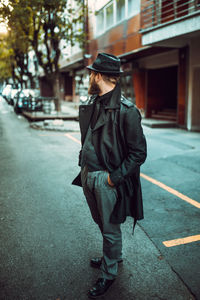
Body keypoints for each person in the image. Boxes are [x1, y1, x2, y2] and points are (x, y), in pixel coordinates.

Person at [72, 52, 147, 298]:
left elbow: (138, 154)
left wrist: (113, 179)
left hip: (106, 179)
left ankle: (109, 273)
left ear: (100, 76)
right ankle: (112, 254)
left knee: (110, 228)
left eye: (92, 73)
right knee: (101, 224)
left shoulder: (127, 111)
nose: (89, 76)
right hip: (87, 174)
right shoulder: (94, 103)